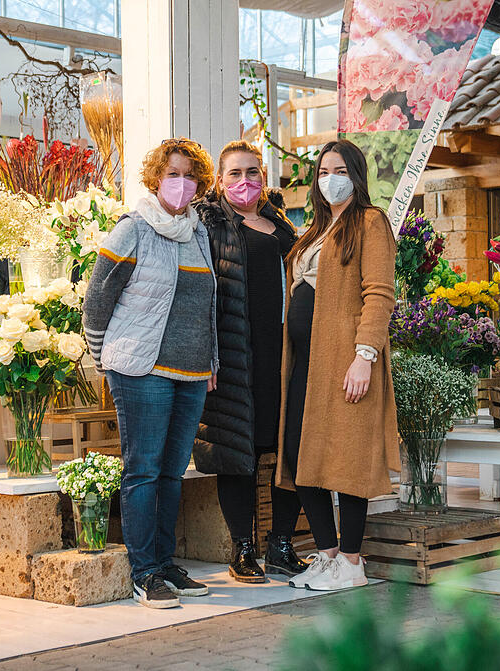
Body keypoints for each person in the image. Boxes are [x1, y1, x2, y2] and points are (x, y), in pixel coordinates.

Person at [82, 138, 219, 609]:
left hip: (191, 373)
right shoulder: (133, 229)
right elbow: (96, 300)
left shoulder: (198, 232)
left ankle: (164, 563)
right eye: (172, 174)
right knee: (143, 470)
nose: (181, 183)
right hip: (141, 369)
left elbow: (206, 307)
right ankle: (144, 573)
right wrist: (103, 358)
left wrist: (211, 362)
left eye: (190, 176)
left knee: (172, 473)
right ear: (156, 178)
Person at [277, 139, 400, 592]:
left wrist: (364, 356)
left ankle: (351, 561)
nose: (331, 179)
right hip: (307, 361)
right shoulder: (313, 230)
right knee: (299, 454)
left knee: (348, 458)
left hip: (346, 359)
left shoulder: (370, 222)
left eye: (341, 171)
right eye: (325, 171)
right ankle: (328, 555)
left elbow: (379, 293)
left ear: (357, 176)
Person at [194, 141, 307, 583]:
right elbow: (199, 294)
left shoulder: (281, 222)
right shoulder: (211, 225)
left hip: (285, 354)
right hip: (236, 355)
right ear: (220, 181)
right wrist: (206, 354)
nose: (246, 181)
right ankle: (243, 549)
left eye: (253, 172)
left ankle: (281, 545)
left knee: (289, 449)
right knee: (237, 451)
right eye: (235, 173)